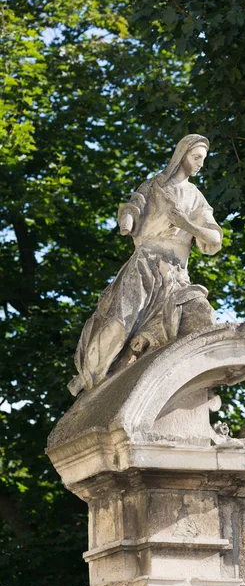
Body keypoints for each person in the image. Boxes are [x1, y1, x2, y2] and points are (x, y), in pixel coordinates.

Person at [68, 134, 222, 395]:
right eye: (196, 158)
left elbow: (214, 237)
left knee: (201, 316)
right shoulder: (154, 186)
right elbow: (133, 206)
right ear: (182, 155)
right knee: (121, 322)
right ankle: (91, 374)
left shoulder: (195, 197)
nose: (199, 165)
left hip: (176, 275)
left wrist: (188, 225)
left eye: (202, 160)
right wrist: (127, 220)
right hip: (144, 267)